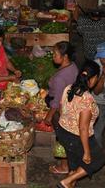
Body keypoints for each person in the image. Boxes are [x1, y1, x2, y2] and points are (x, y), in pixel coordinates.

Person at [56, 60, 105, 188]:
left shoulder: (69, 88)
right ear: (94, 78)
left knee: (74, 166)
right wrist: (87, 152)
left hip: (62, 132)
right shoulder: (87, 100)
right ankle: (67, 181)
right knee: (98, 159)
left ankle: (69, 182)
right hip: (77, 137)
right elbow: (83, 128)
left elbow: (61, 109)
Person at [43, 41, 79, 174]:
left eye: (55, 54)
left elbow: (56, 101)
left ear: (65, 57)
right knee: (69, 136)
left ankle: (64, 166)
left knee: (63, 138)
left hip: (61, 110)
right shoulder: (72, 66)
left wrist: (49, 115)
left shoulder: (60, 78)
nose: (53, 56)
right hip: (70, 107)